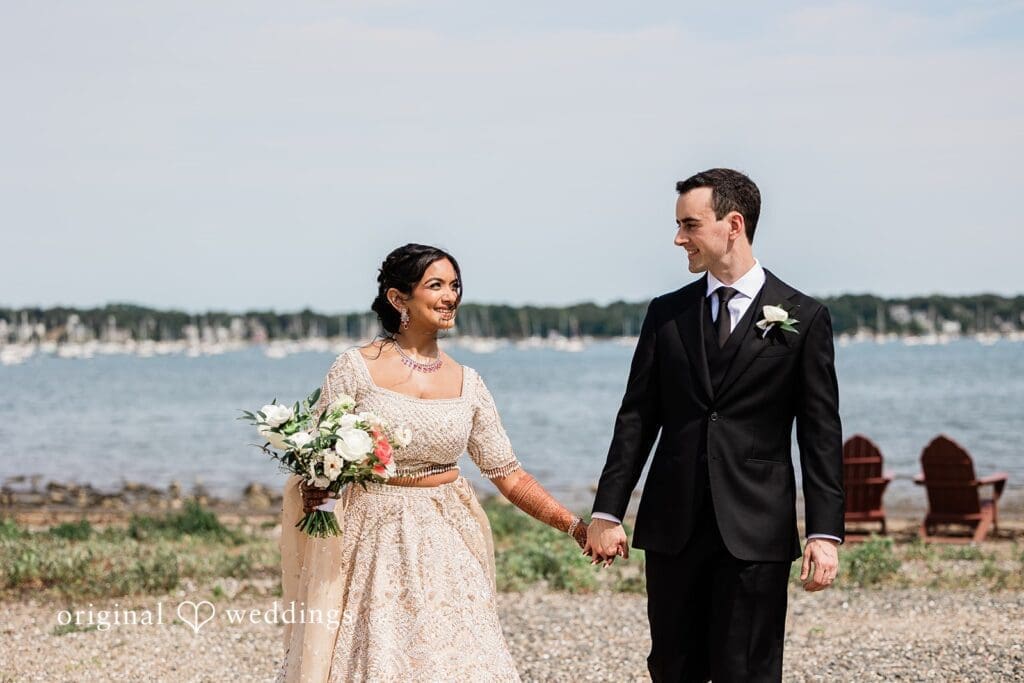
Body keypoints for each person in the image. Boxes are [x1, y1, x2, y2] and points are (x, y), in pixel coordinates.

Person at [275, 243, 587, 682]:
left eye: (455, 285)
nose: (450, 296)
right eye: (436, 285)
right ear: (398, 299)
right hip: (372, 542)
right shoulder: (354, 369)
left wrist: (575, 526)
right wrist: (317, 502)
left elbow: (508, 475)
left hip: (450, 539)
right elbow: (322, 464)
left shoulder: (468, 382)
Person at [585, 169, 845, 682]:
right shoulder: (666, 314)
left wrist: (823, 532)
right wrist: (607, 511)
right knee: (671, 667)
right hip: (672, 526)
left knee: (747, 669)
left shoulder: (804, 317)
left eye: (690, 225)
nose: (679, 238)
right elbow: (636, 417)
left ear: (733, 224)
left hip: (756, 528)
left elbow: (820, 433)